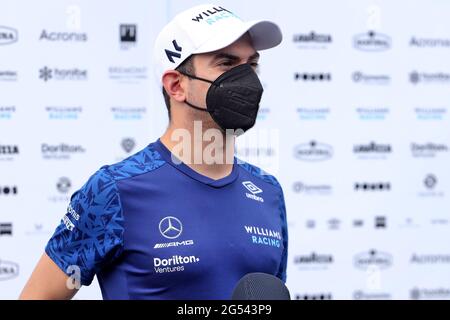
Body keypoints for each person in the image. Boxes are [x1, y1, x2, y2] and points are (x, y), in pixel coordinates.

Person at [20, 3, 288, 300]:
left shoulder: (268, 191)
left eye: (251, 65)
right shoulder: (114, 190)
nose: (247, 81)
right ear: (176, 85)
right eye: (226, 63)